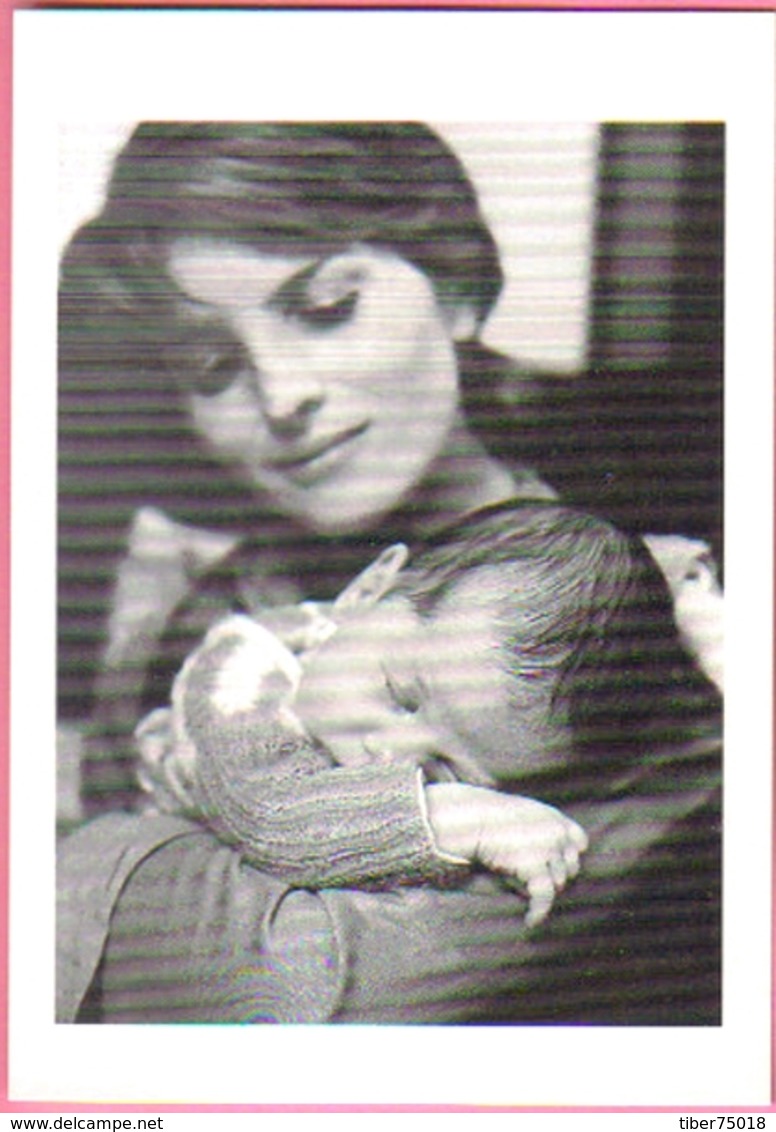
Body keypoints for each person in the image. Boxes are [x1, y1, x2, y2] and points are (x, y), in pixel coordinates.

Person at [57, 122, 560, 816]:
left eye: (329, 309)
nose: (283, 395)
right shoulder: (162, 660)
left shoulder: (655, 613)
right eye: (213, 365)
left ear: (456, 290)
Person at [57, 502, 721, 1024]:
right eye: (401, 695)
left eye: (446, 766)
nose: (392, 756)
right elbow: (274, 813)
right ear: (367, 590)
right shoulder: (242, 670)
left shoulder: (381, 664)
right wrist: (450, 814)